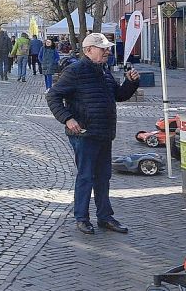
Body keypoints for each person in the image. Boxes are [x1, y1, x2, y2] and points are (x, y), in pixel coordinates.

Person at [46, 33, 140, 235]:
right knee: (86, 176)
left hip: (104, 132)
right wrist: (68, 119)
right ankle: (82, 218)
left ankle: (105, 216)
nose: (107, 51)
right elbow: (53, 95)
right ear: (88, 50)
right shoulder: (75, 70)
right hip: (84, 133)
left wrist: (130, 83)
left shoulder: (104, 70)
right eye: (102, 48)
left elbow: (119, 95)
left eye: (107, 48)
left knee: (103, 176)